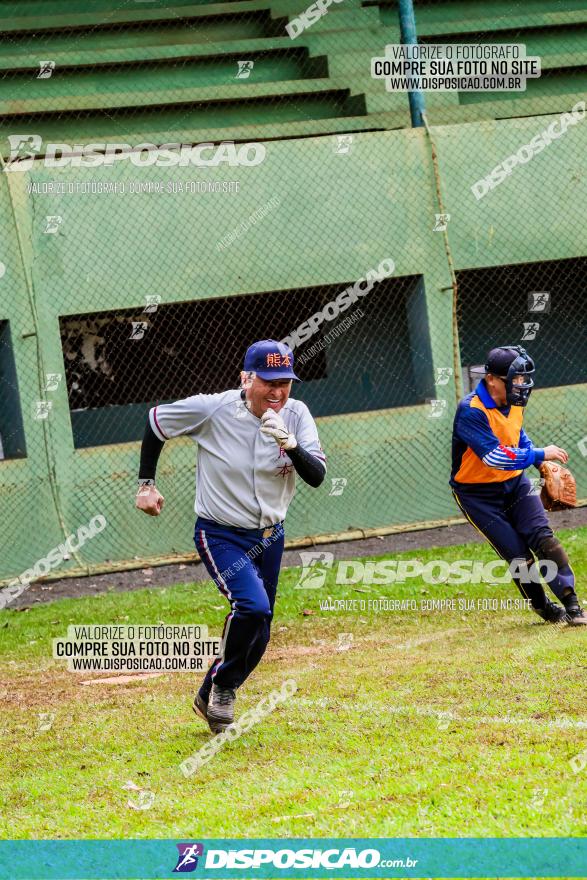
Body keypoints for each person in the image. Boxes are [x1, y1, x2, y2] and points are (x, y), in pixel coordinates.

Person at [136, 339, 327, 732]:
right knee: (253, 608)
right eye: (268, 382)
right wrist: (145, 484)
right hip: (221, 533)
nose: (277, 392)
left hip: (270, 536)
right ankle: (224, 688)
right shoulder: (215, 409)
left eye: (285, 383)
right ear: (246, 378)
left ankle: (211, 690)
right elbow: (156, 421)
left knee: (262, 629)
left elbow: (316, 476)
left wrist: (288, 443)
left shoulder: (297, 414)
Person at [450, 344, 586, 626]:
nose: (522, 385)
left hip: (515, 484)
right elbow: (495, 456)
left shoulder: (514, 402)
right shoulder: (471, 410)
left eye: (525, 378)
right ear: (492, 379)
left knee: (545, 540)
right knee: (519, 555)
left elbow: (517, 435)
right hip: (477, 495)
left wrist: (538, 464)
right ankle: (544, 609)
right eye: (516, 379)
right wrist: (539, 454)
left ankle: (574, 607)